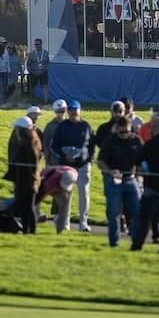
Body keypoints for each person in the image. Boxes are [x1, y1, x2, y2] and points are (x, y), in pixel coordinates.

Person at [97, 115, 143, 248]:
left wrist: (140, 177)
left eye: (127, 132)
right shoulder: (110, 141)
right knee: (113, 212)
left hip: (131, 179)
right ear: (117, 130)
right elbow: (100, 161)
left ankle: (136, 242)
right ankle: (114, 243)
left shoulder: (136, 141)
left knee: (137, 210)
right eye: (121, 132)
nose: (124, 135)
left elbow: (141, 162)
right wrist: (110, 171)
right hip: (114, 180)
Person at [132, 115, 159, 253]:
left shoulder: (151, 144)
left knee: (145, 217)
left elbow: (139, 159)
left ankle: (137, 245)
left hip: (153, 186)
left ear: (153, 128)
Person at [50, 99, 94, 232]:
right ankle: (65, 222)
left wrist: (89, 160)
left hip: (83, 165)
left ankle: (83, 222)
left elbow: (92, 145)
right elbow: (54, 146)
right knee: (66, 194)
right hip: (66, 166)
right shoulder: (62, 126)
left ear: (80, 110)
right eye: (71, 110)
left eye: (76, 109)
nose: (73, 112)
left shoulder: (86, 126)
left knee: (84, 193)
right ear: (68, 111)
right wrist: (64, 156)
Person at [7, 115, 42, 234]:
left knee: (29, 207)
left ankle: (30, 231)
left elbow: (31, 165)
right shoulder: (29, 142)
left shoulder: (29, 145)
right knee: (26, 207)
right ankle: (27, 229)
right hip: (25, 180)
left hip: (28, 181)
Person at [36, 165, 78, 233]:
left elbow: (66, 199)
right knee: (35, 201)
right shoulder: (50, 183)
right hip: (46, 178)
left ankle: (60, 229)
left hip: (63, 176)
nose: (64, 190)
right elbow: (38, 198)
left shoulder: (74, 174)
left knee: (65, 204)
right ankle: (35, 217)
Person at [26, 37, 50, 102]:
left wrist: (45, 69)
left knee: (45, 86)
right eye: (35, 44)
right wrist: (30, 71)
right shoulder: (31, 54)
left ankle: (46, 101)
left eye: (38, 44)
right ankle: (32, 100)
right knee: (33, 87)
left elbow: (48, 62)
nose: (36, 46)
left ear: (41, 44)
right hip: (34, 73)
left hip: (43, 73)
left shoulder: (45, 53)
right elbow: (28, 64)